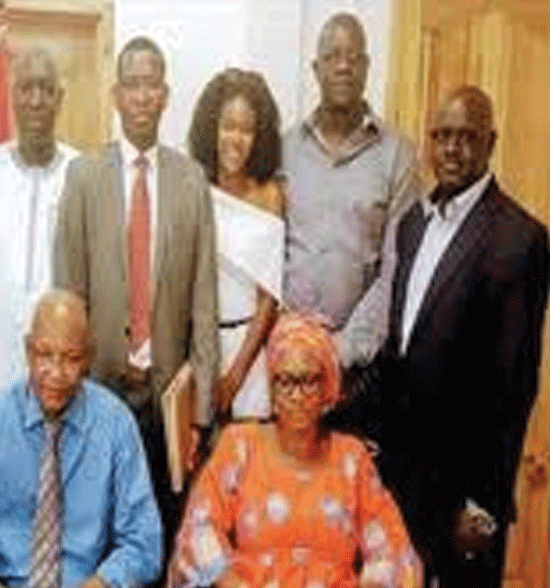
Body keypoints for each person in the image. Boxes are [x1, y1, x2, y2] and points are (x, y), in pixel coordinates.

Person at [354, 86, 549, 588]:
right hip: (401, 482)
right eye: (441, 136)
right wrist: (334, 416)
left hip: (465, 497)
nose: (451, 149)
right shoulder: (412, 226)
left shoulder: (520, 240)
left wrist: (484, 505)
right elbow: (398, 354)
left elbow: (514, 390)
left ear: (491, 142)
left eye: (466, 137)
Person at [53, 35, 219, 549]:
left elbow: (204, 301)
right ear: (116, 95)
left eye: (152, 85)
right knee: (95, 532)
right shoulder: (83, 176)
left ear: (165, 95)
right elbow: (68, 293)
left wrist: (202, 411)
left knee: (160, 534)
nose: (143, 96)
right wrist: (66, 393)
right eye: (132, 84)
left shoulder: (191, 180)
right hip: (97, 391)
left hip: (167, 401)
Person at [0, 290, 162, 588]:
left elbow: (145, 544)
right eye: (44, 355)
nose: (56, 373)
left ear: (88, 357)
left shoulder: (116, 425)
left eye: (71, 358)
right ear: (28, 351)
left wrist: (102, 583)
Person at [167, 314, 422, 588]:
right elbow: (199, 528)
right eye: (285, 381)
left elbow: (393, 548)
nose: (296, 395)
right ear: (272, 391)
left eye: (308, 381)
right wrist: (233, 584)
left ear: (327, 389)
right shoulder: (240, 446)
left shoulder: (351, 458)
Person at [281, 12, 419, 375]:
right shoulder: (285, 149)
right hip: (286, 357)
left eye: (353, 57)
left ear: (367, 67)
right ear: (316, 69)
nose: (343, 66)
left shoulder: (398, 155)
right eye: (332, 57)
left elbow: (396, 266)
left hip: (360, 363)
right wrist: (288, 339)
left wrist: (342, 350)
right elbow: (271, 251)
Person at [0, 45, 79, 407]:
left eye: (46, 89)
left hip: (60, 365)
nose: (36, 100)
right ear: (12, 96)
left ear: (60, 98)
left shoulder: (81, 171)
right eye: (26, 88)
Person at [186, 67, 284, 422]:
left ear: (260, 137)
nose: (236, 139)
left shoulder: (270, 196)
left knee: (249, 450)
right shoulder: (194, 187)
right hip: (199, 350)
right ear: (211, 128)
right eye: (228, 126)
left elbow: (268, 299)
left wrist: (236, 376)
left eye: (247, 130)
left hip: (250, 355)